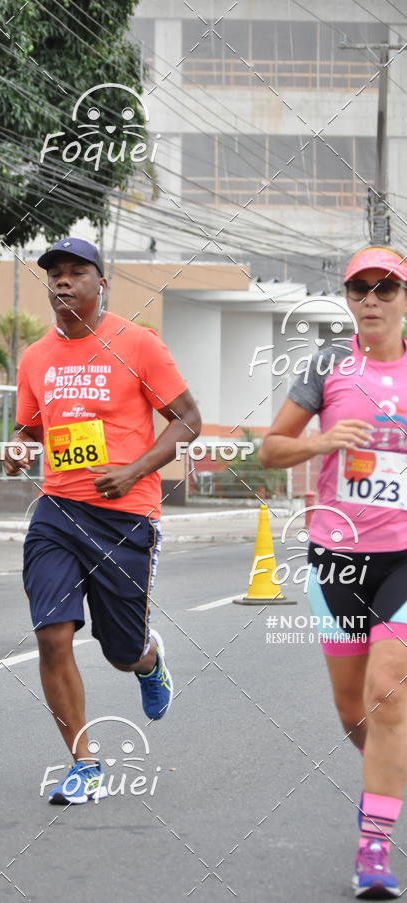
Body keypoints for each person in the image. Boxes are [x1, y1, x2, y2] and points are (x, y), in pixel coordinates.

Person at [3, 237, 201, 805]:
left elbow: (188, 418)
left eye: (76, 273)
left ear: (101, 284)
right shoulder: (36, 357)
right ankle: (84, 764)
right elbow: (31, 428)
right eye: (55, 275)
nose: (63, 282)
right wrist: (19, 447)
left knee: (120, 651)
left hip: (124, 516)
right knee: (51, 635)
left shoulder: (137, 345)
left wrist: (136, 468)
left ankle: (147, 659)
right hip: (57, 512)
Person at [260, 246, 407, 898]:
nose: (372, 299)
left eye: (386, 287)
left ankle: (375, 847)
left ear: (404, 296)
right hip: (336, 557)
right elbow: (269, 448)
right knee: (355, 713)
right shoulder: (328, 365)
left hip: (404, 556)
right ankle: (386, 769)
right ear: (348, 298)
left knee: (389, 688)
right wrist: (320, 441)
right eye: (360, 289)